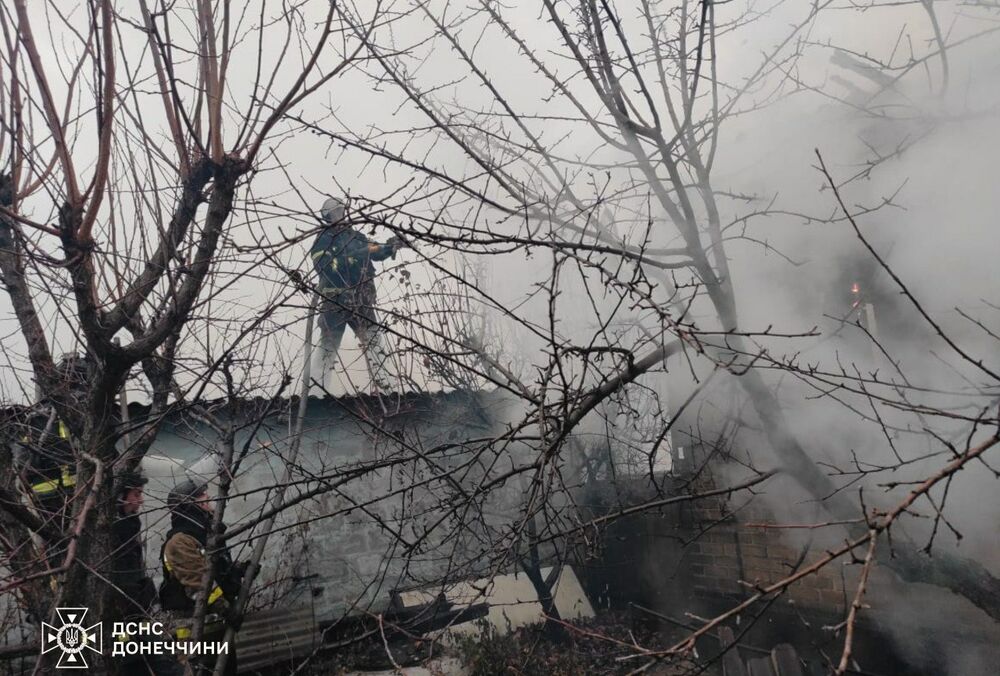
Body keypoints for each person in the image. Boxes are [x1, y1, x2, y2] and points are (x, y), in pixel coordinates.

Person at [310, 196, 404, 391]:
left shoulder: (357, 237)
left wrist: (390, 246)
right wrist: (355, 257)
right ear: (327, 216)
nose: (341, 214)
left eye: (341, 210)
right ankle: (315, 395)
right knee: (328, 348)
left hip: (361, 301)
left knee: (375, 345)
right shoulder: (323, 239)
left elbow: (374, 250)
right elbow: (326, 267)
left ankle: (389, 392)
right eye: (336, 212)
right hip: (335, 302)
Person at [159, 479, 244, 676]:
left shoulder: (204, 535)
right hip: (194, 633)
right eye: (203, 494)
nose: (209, 498)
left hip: (215, 628)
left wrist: (237, 571)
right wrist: (226, 610)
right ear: (191, 503)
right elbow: (198, 584)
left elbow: (214, 571)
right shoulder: (179, 541)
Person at [112, 469, 185, 676]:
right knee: (135, 664)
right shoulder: (111, 531)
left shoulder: (129, 525)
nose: (141, 501)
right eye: (136, 494)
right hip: (122, 617)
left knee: (163, 662)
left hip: (137, 612)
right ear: (120, 497)